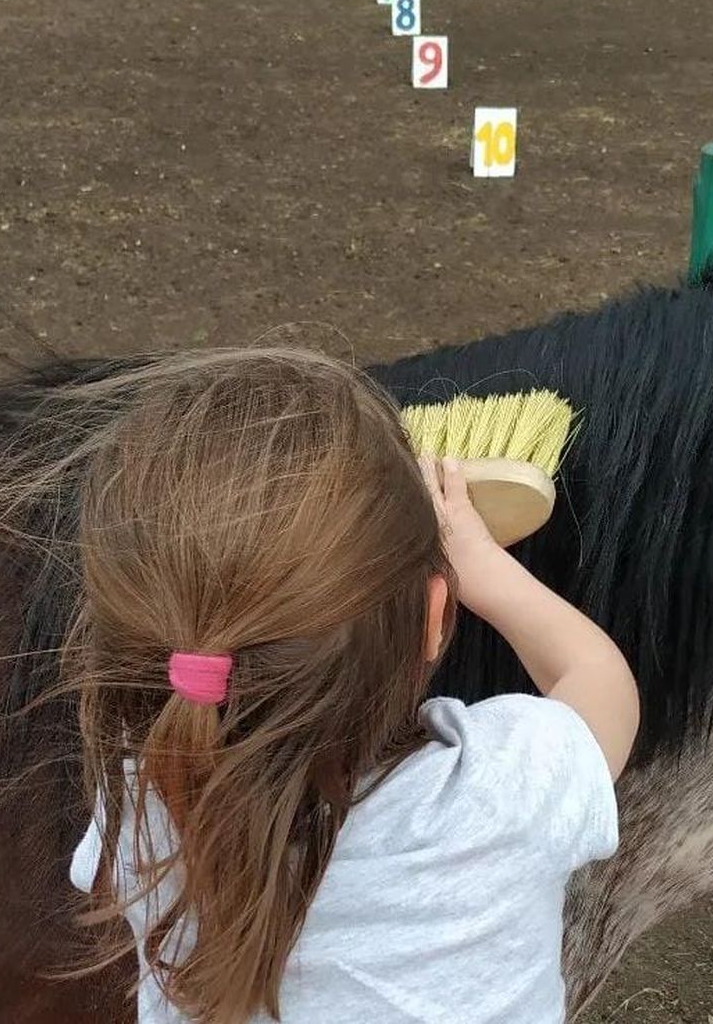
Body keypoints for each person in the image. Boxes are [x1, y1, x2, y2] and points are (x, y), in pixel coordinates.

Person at [65, 347, 640, 1024]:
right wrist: (480, 566)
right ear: (435, 616)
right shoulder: (498, 798)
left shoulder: (143, 813)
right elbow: (598, 682)